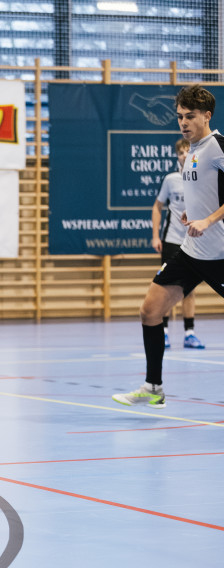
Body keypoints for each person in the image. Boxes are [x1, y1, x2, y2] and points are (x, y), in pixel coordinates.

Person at [113, 85, 224, 409]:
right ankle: (153, 387)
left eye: (190, 116)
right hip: (191, 250)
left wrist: (211, 220)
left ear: (207, 115)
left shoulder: (216, 146)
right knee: (150, 311)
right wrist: (196, 215)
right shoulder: (191, 150)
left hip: (220, 252)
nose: (183, 122)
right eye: (179, 117)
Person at [151, 138, 205, 349]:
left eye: (187, 151)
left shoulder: (200, 178)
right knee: (166, 287)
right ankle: (163, 332)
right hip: (172, 240)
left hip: (193, 240)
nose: (184, 155)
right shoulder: (171, 180)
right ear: (177, 155)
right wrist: (156, 236)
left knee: (189, 289)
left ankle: (189, 333)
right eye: (181, 152)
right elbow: (157, 207)